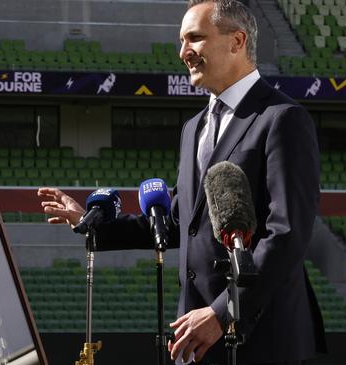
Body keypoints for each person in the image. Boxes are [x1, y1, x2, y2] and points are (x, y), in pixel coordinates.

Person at [38, 0, 326, 364]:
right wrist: (91, 222)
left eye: (195, 38)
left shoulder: (282, 119)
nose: (183, 52)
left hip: (260, 338)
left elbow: (287, 234)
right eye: (181, 41)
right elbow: (178, 222)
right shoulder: (195, 128)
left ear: (237, 41)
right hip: (195, 337)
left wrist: (223, 313)